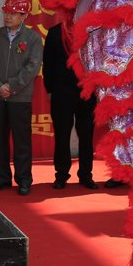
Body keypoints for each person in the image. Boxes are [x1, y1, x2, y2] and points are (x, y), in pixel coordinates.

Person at [0, 0, 43, 196]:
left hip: (20, 97)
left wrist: (12, 85)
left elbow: (32, 67)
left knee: (21, 140)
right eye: (6, 13)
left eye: (14, 13)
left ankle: (24, 179)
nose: (8, 17)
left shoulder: (33, 38)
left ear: (24, 16)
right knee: (0, 139)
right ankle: (3, 178)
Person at [43, 22, 98, 190]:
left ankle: (86, 175)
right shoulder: (55, 32)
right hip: (62, 92)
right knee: (62, 136)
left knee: (86, 135)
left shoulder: (92, 30)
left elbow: (99, 59)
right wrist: (50, 89)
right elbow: (48, 63)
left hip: (87, 91)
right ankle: (61, 175)